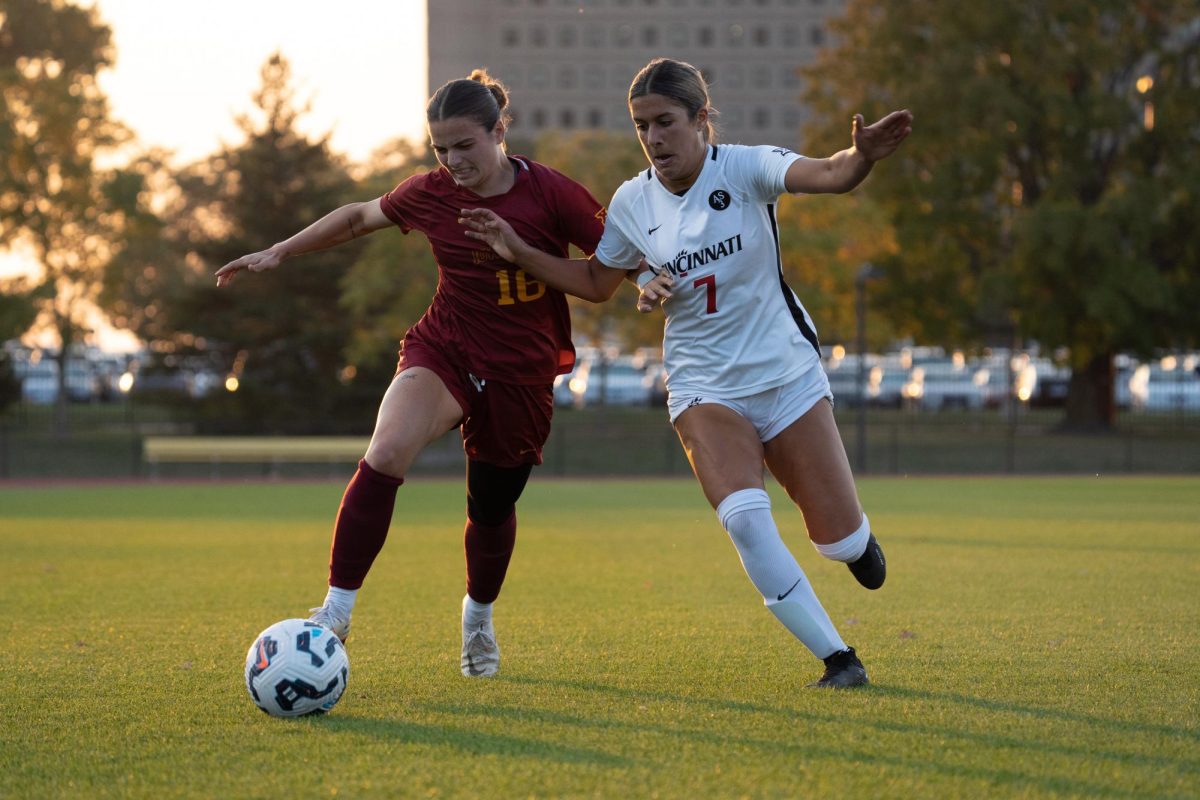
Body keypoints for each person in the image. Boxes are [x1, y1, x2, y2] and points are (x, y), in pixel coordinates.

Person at [460, 57, 912, 688]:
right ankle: (840, 659)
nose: (653, 138)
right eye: (641, 126)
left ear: (702, 119)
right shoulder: (631, 200)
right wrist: (521, 251)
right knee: (746, 520)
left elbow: (831, 173)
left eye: (665, 122)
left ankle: (855, 544)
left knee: (838, 540)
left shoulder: (748, 168)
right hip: (704, 384)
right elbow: (596, 281)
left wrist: (861, 156)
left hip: (785, 374)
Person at [215, 69, 628, 678]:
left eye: (466, 145)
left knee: (489, 511)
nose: (453, 161)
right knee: (385, 453)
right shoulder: (430, 193)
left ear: (499, 132)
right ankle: (335, 610)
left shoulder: (553, 195)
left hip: (520, 372)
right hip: (447, 348)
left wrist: (635, 277)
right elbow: (358, 216)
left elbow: (607, 272)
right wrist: (281, 250)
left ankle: (478, 617)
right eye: (441, 149)